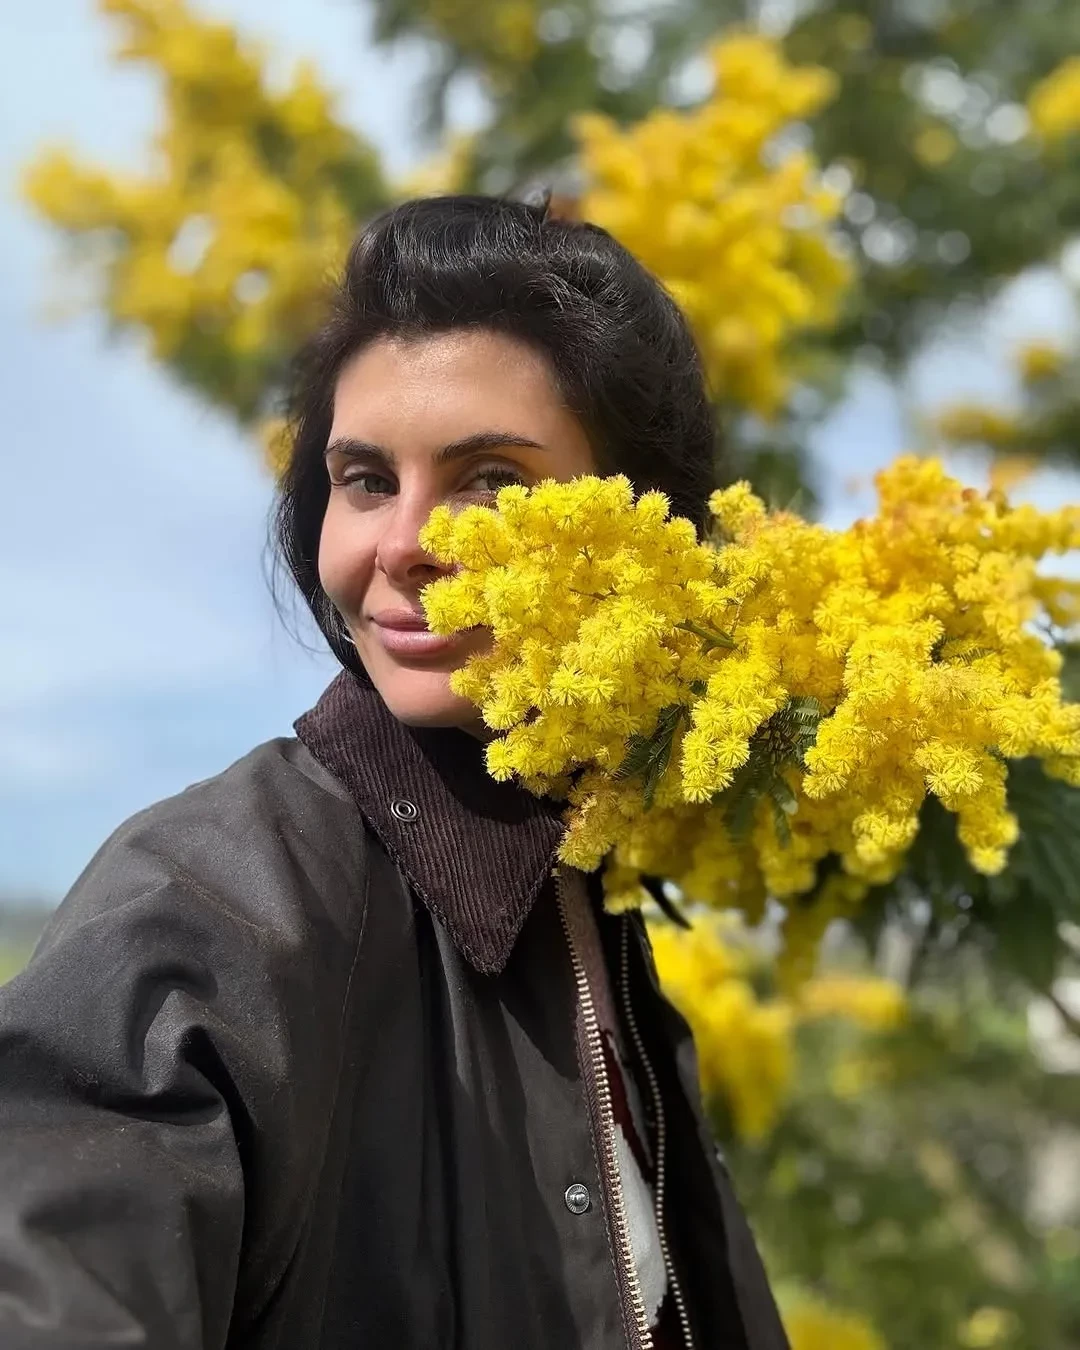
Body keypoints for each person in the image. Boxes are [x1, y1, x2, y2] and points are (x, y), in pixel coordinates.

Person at [0, 193, 790, 1350]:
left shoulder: (586, 870)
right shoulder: (201, 909)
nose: (407, 541)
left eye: (491, 482)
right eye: (367, 479)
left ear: (651, 533)